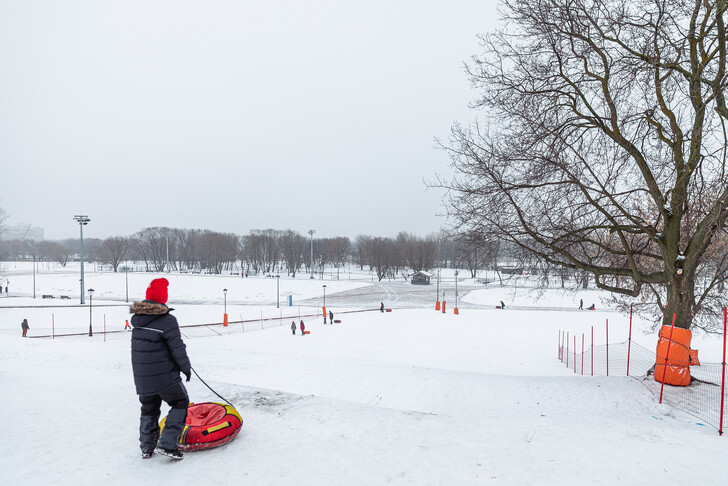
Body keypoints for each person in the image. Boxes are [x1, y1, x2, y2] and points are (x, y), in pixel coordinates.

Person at [130, 278, 191, 460]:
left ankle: (146, 448)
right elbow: (177, 349)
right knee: (180, 402)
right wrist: (186, 368)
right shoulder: (167, 321)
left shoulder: (137, 321)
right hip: (164, 377)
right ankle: (167, 444)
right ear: (163, 299)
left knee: (148, 409)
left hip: (142, 377)